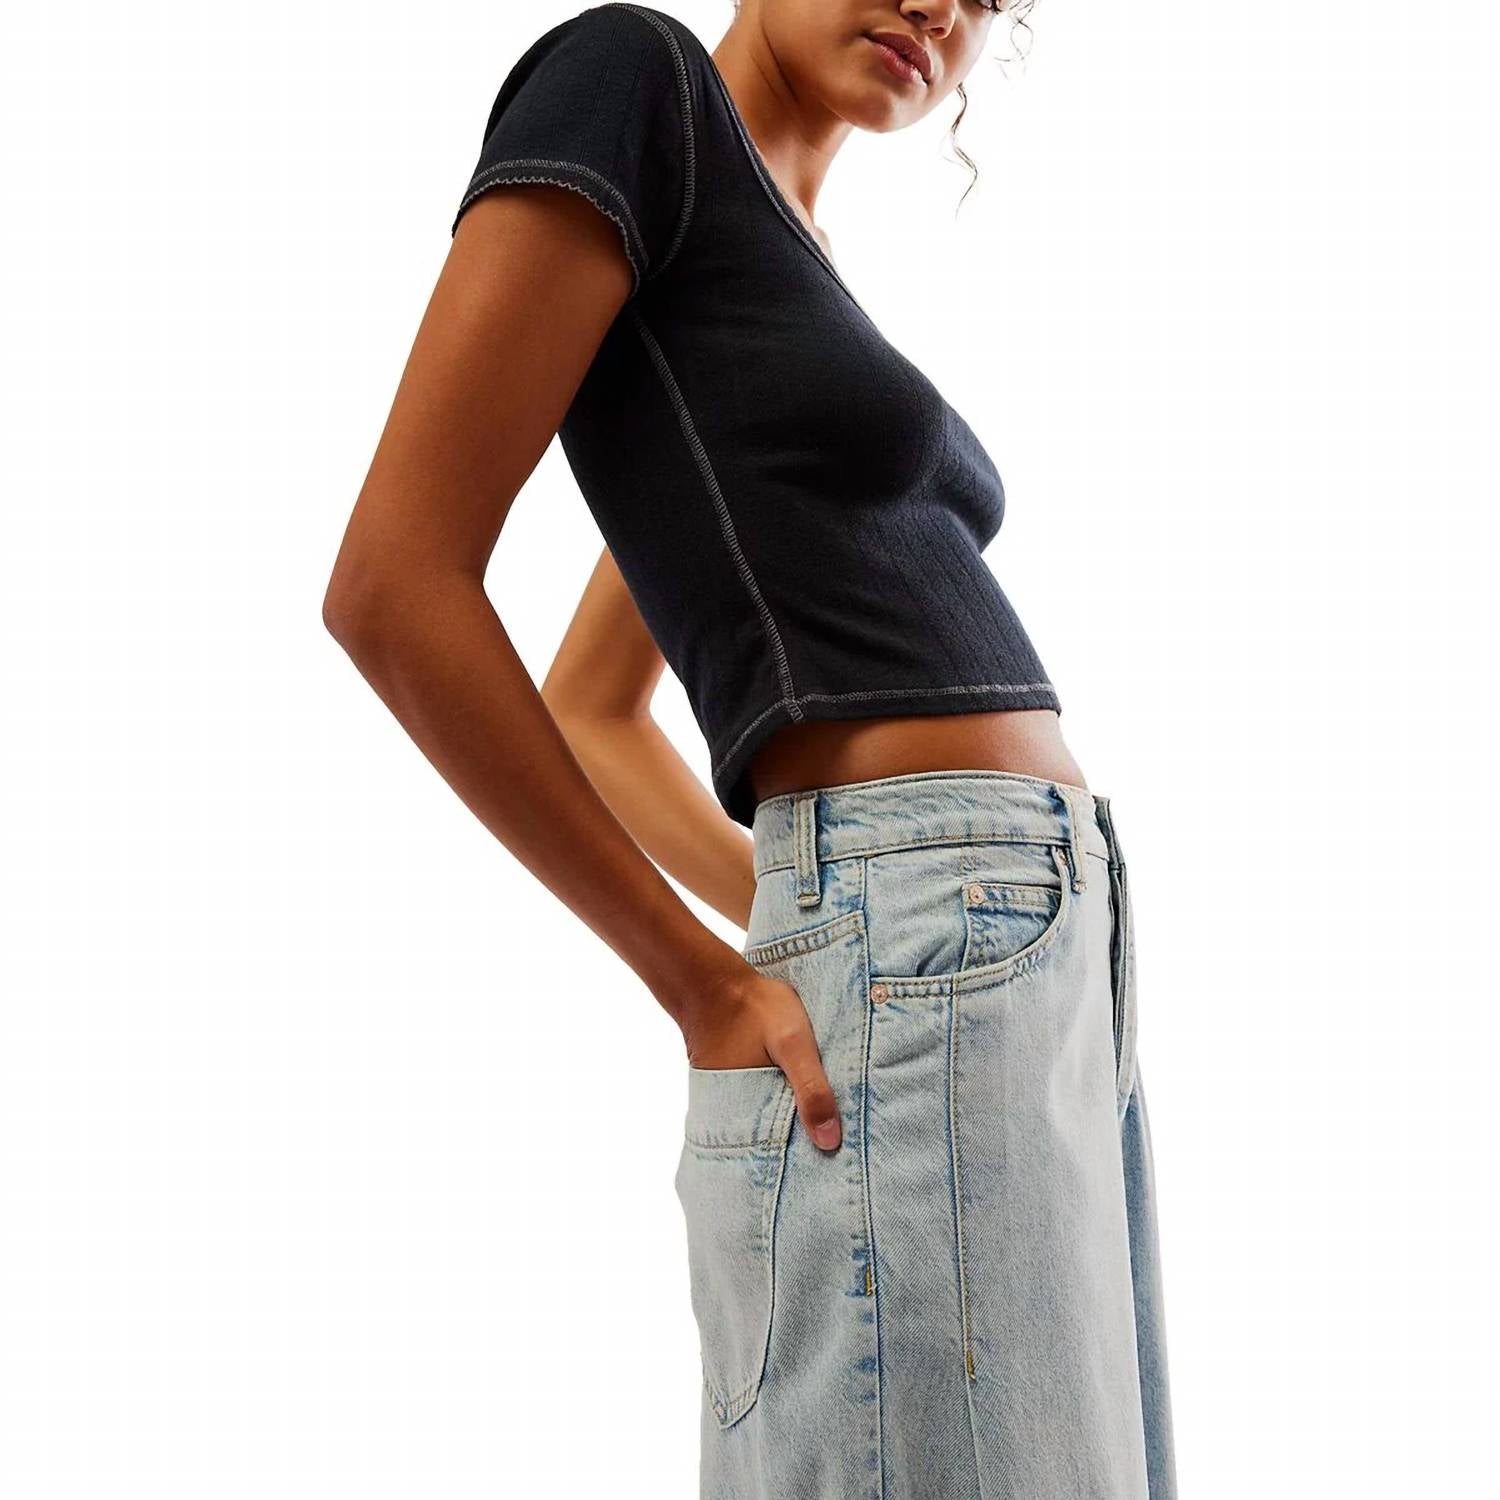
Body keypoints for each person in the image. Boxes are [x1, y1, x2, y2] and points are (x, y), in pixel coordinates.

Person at [323, 2, 1177, 1494]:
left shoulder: (788, 269)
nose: (941, 9)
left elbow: (598, 703)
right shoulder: (636, 84)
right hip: (936, 946)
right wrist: (701, 976)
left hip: (1009, 957)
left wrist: (800, 922)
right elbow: (393, 585)